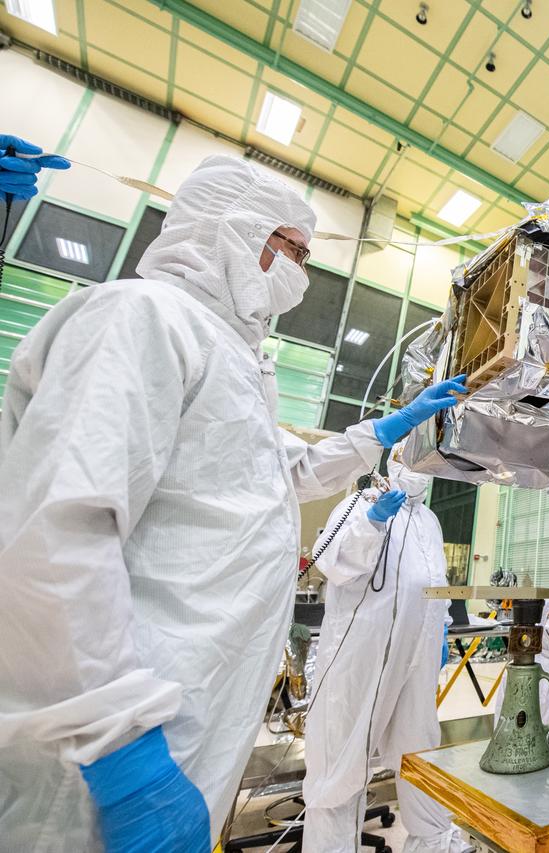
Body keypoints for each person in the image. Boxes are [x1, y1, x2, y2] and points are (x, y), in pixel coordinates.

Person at [0, 148, 461, 852]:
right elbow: (54, 534)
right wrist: (124, 756)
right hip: (100, 751)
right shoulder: (143, 317)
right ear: (238, 235)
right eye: (294, 249)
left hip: (182, 720)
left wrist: (382, 433)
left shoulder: (235, 366)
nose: (303, 272)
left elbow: (289, 469)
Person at [303, 451, 470, 853]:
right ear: (392, 457)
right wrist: (372, 522)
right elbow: (330, 559)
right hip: (363, 654)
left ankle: (433, 842)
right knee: (344, 757)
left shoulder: (429, 521)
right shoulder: (359, 504)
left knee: (419, 751)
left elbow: (435, 582)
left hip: (419, 652)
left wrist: (443, 627)